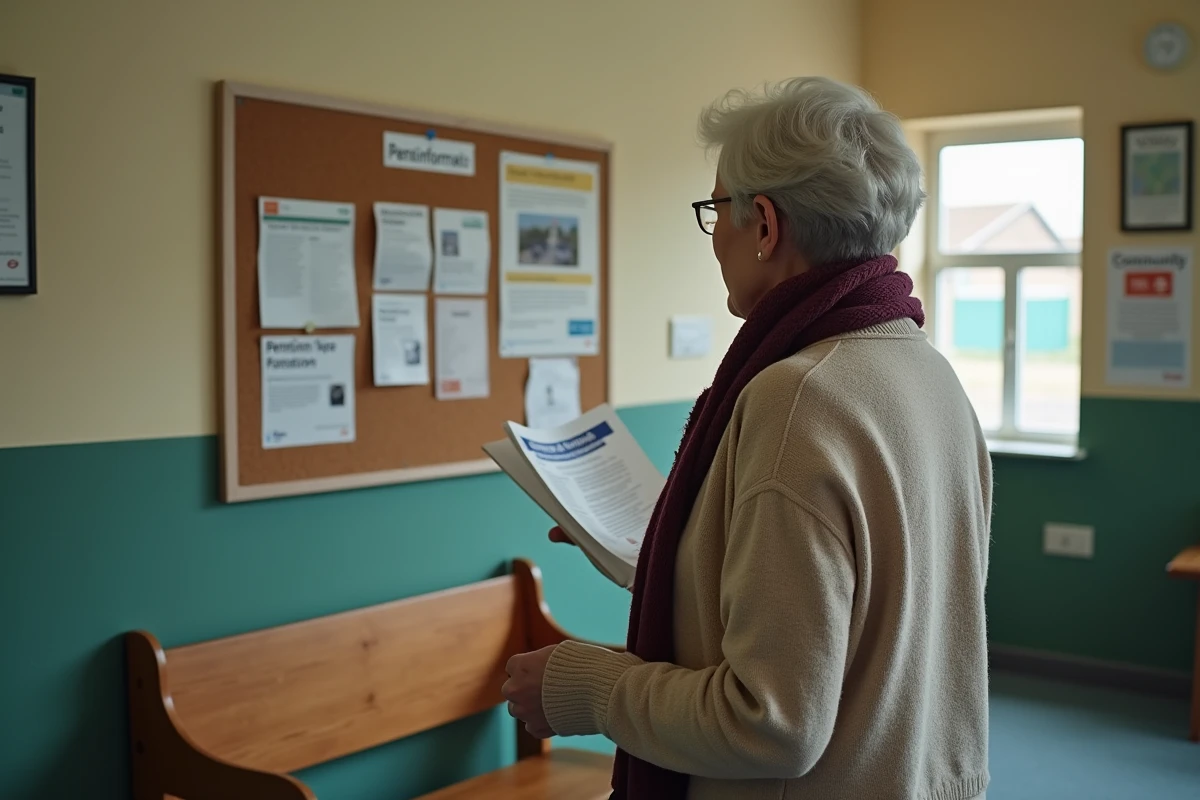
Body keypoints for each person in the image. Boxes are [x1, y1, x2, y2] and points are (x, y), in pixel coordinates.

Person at [503, 76, 992, 800]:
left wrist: (590, 687)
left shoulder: (798, 399)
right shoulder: (925, 370)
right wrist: (666, 553)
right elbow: (854, 611)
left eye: (715, 209)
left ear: (763, 224)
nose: (715, 238)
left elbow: (769, 722)